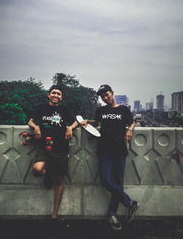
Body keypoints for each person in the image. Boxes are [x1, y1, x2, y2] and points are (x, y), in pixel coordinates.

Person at [81, 84, 139, 230]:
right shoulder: (101, 110)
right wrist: (87, 122)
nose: (105, 98)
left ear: (112, 93)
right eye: (102, 96)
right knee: (106, 180)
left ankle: (112, 214)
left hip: (120, 150)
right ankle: (130, 203)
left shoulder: (123, 109)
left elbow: (132, 121)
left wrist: (130, 130)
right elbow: (97, 122)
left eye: (106, 94)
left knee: (118, 183)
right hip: (104, 149)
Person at [28, 85, 78, 219]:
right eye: (54, 93)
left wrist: (70, 128)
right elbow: (30, 122)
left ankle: (54, 214)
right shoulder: (41, 108)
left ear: (61, 97)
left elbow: (75, 122)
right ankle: (49, 174)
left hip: (61, 148)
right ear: (48, 95)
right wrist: (36, 127)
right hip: (44, 146)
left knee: (60, 179)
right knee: (37, 169)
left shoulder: (63, 109)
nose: (56, 95)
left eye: (59, 94)